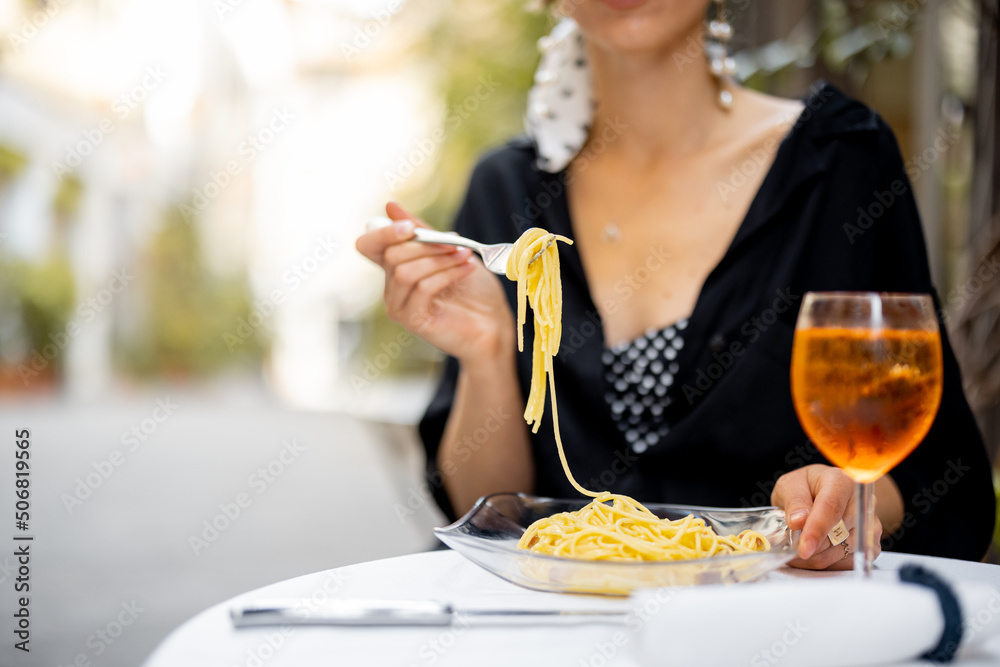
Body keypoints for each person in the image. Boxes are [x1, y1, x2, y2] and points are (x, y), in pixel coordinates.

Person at [356, 1, 996, 569]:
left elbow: (935, 471)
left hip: (776, 623)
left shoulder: (839, 163)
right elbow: (485, 516)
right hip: (559, 624)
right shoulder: (506, 192)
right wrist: (487, 352)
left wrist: (846, 502)